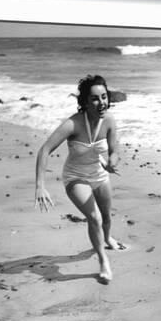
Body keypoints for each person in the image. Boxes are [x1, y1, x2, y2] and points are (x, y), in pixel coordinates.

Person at [35, 74, 125, 284]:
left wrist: (112, 161)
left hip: (100, 175)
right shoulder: (72, 124)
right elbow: (45, 150)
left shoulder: (109, 120)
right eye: (95, 98)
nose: (101, 102)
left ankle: (108, 238)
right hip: (76, 177)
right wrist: (40, 185)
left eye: (104, 97)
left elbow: (115, 150)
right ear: (85, 102)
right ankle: (103, 262)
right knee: (95, 218)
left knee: (107, 217)